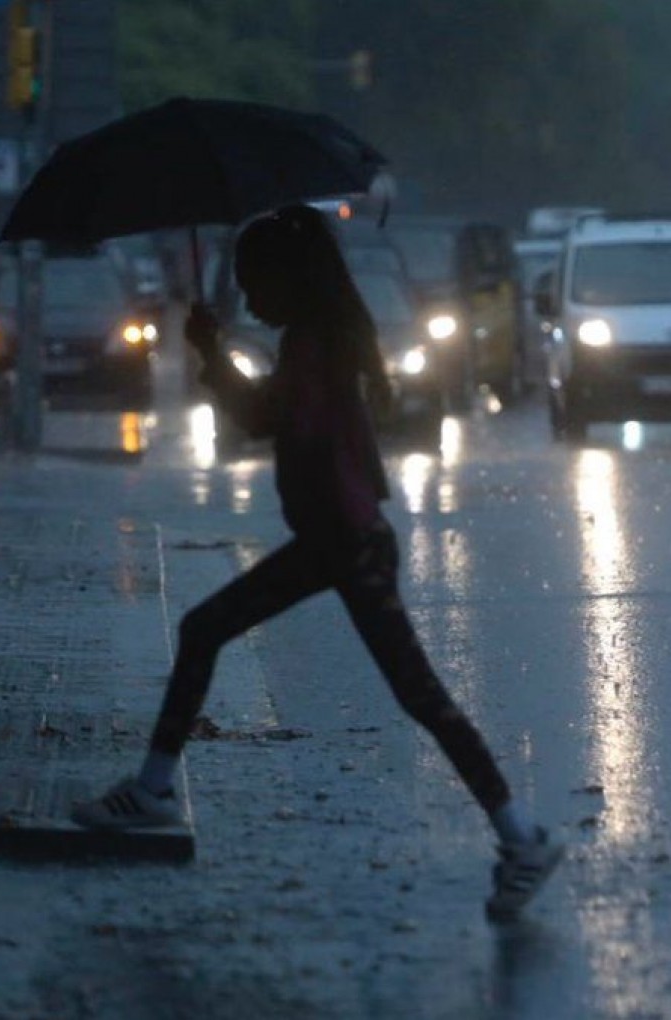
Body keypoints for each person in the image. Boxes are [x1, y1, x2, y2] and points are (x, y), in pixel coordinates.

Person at [71, 204, 564, 920]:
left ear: (287, 278)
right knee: (216, 633)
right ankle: (520, 835)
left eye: (254, 283)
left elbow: (270, 419)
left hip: (346, 542)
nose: (251, 298)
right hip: (338, 540)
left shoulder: (314, 344)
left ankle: (523, 836)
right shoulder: (318, 337)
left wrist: (211, 354)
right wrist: (214, 356)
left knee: (411, 694)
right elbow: (274, 417)